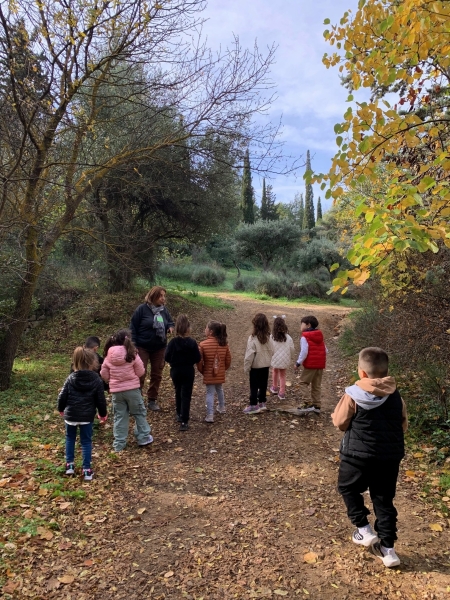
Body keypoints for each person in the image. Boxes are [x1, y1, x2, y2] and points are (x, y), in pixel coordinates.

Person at [332, 347, 408, 568]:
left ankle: (363, 529)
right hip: (389, 457)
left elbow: (340, 422)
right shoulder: (396, 396)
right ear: (386, 371)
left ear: (362, 372)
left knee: (347, 487)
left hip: (357, 455)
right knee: (383, 499)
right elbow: (402, 424)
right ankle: (388, 550)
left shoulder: (352, 395)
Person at [58, 347, 107, 481]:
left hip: (71, 415)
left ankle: (69, 465)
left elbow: (62, 396)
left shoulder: (70, 378)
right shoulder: (96, 380)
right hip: (86, 416)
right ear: (93, 362)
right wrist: (103, 413)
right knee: (86, 441)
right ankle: (86, 470)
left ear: (75, 362)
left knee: (70, 438)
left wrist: (61, 408)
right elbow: (100, 399)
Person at [101, 329, 153, 452]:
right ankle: (143, 437)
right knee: (139, 413)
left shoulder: (109, 355)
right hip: (132, 390)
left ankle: (119, 444)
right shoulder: (132, 353)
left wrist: (111, 380)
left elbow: (103, 373)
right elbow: (141, 371)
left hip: (116, 392)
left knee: (120, 416)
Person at [130, 286, 175, 411]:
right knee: (140, 373)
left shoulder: (164, 310)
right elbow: (132, 327)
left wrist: (170, 327)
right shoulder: (142, 309)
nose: (163, 298)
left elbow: (170, 322)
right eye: (160, 296)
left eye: (164, 296)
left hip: (159, 347)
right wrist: (133, 345)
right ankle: (137, 400)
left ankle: (152, 400)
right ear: (153, 296)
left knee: (157, 374)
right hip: (142, 347)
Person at [165, 314, 201, 431]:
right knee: (186, 394)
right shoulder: (192, 343)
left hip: (175, 370)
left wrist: (173, 362)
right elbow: (197, 358)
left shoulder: (172, 342)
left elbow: (166, 357)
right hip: (188, 370)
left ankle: (179, 413)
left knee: (178, 390)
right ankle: (184, 420)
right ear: (188, 328)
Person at [197, 320, 232, 423]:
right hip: (219, 372)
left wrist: (203, 371)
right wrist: (222, 369)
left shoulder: (203, 344)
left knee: (210, 393)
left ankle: (210, 415)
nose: (205, 330)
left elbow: (199, 361)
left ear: (211, 332)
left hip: (208, 374)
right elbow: (228, 360)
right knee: (219, 389)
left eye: (206, 328)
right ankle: (222, 407)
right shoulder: (224, 344)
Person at [295, 315, 326, 414]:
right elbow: (326, 350)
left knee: (302, 383)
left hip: (311, 365)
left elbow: (304, 352)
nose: (301, 326)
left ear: (308, 325)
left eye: (302, 324)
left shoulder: (305, 337)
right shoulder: (319, 335)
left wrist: (298, 363)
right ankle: (317, 405)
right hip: (320, 365)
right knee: (316, 385)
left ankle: (308, 403)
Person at [243, 313, 274, 414]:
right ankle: (262, 402)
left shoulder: (252, 338)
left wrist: (246, 367)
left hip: (255, 367)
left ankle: (253, 405)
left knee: (254, 386)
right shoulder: (269, 338)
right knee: (263, 384)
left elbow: (249, 355)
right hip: (266, 365)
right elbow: (273, 350)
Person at [269, 316, 296, 400]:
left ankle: (274, 387)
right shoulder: (288, 338)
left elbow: (269, 348)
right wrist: (291, 356)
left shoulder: (271, 337)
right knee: (283, 375)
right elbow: (292, 349)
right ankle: (282, 392)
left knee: (274, 371)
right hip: (284, 360)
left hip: (275, 359)